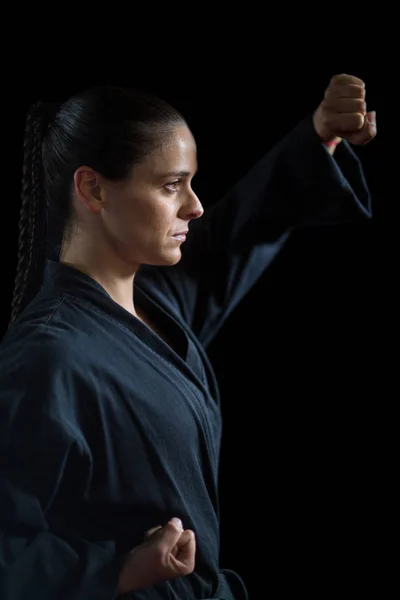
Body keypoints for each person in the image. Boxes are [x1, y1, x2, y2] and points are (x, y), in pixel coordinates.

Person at [0, 73, 376, 599]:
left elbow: (230, 239)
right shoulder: (48, 356)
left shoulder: (154, 307)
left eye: (191, 183)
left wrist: (322, 135)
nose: (194, 206)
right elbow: (9, 550)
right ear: (93, 188)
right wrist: (123, 570)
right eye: (171, 185)